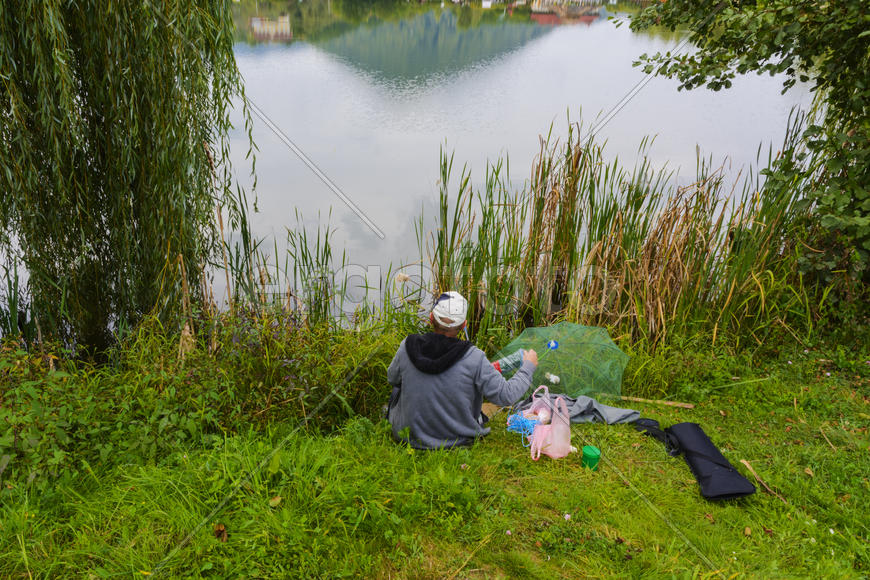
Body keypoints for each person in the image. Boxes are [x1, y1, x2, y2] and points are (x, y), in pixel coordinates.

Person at [386, 291, 538, 449]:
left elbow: (392, 379)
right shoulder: (475, 357)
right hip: (456, 440)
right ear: (464, 325)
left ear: (431, 318)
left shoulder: (407, 346)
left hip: (408, 437)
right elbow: (506, 395)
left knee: (399, 385)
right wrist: (528, 366)